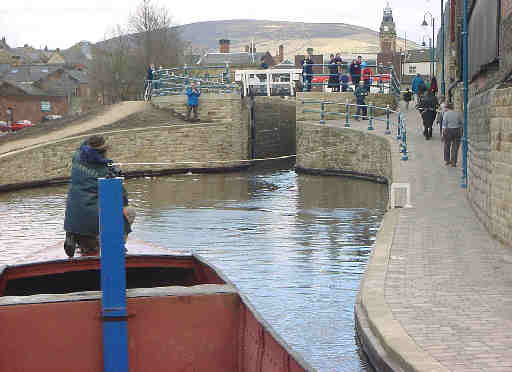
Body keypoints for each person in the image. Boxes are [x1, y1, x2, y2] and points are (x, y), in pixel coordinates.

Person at [64, 135, 135, 257]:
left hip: (72, 220)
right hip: (92, 223)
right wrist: (117, 178)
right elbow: (122, 199)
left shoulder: (77, 157)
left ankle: (81, 241)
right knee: (129, 211)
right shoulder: (106, 172)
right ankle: (117, 246)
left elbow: (84, 144)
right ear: (105, 151)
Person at [442, 102, 463, 167]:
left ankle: (447, 160)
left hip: (448, 131)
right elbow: (461, 123)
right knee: (455, 147)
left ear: (447, 107)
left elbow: (444, 124)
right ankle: (454, 162)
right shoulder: (457, 114)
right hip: (456, 130)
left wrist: (443, 133)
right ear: (453, 107)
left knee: (447, 146)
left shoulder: (446, 114)